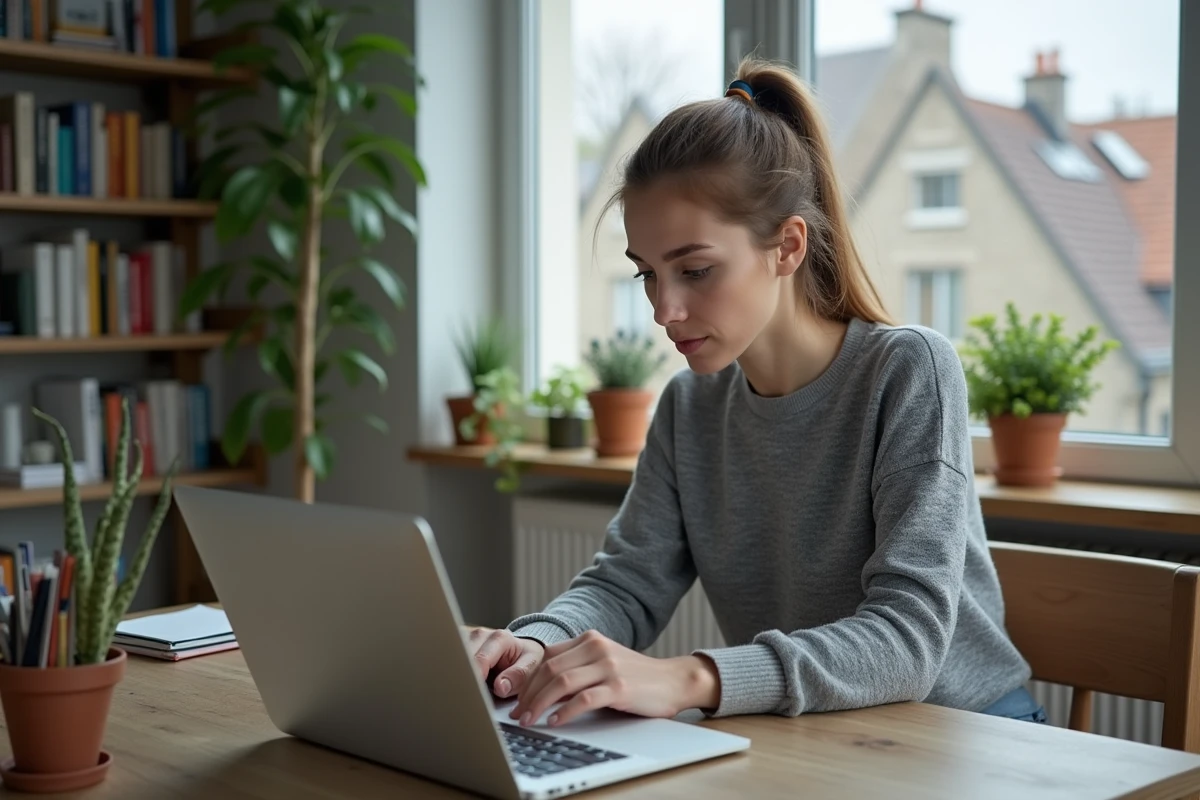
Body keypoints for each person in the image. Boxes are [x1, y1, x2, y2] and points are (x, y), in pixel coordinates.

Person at [468, 57, 1042, 730]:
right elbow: (626, 584)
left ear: (787, 247)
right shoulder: (689, 407)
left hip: (965, 740)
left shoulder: (907, 371)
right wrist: (533, 645)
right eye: (647, 275)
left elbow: (908, 641)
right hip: (814, 737)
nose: (664, 310)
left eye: (695, 269)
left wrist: (689, 677)